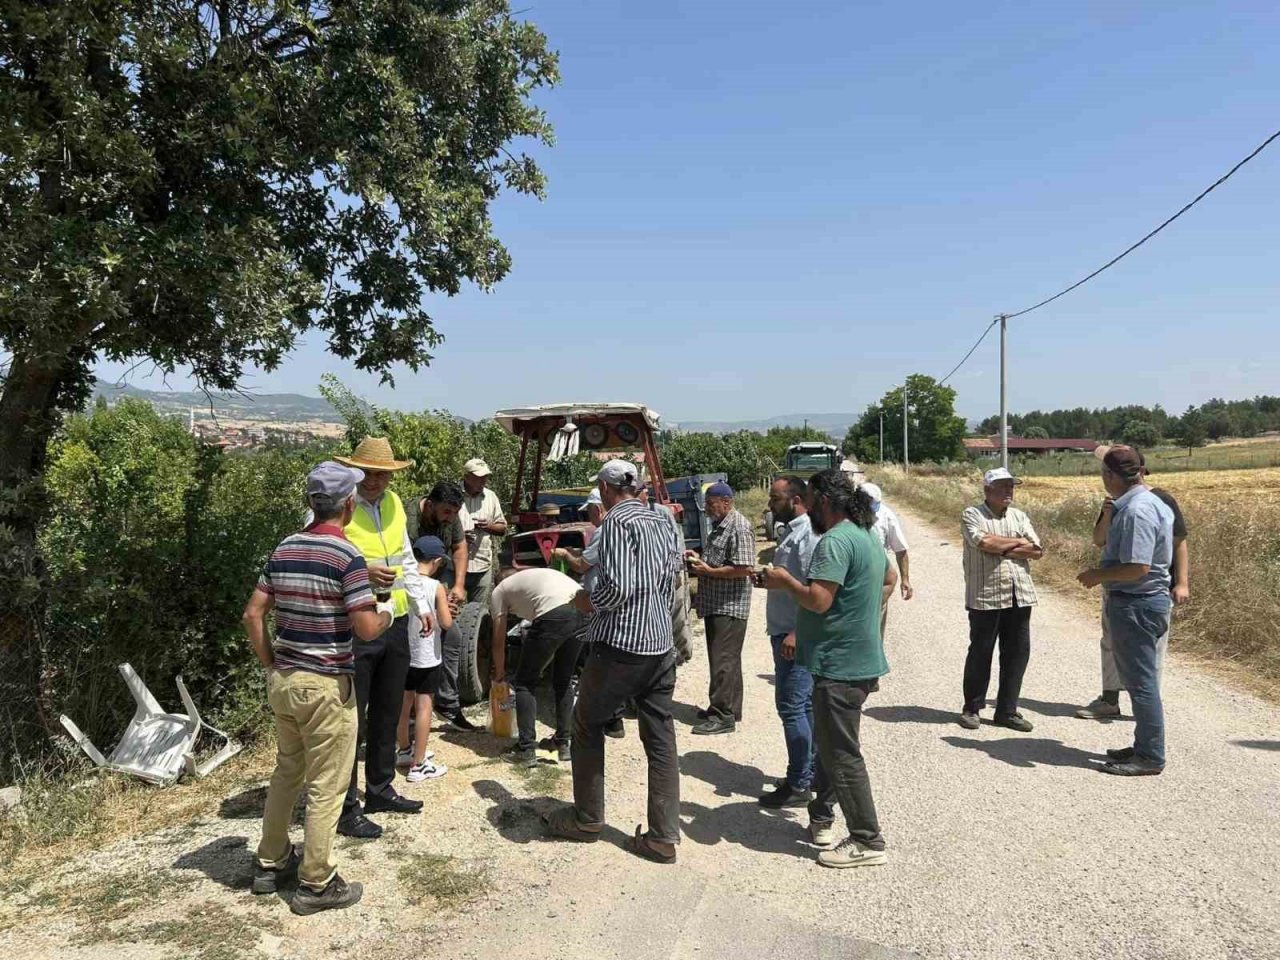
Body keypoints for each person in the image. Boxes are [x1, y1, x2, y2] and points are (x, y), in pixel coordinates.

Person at [244, 461, 395, 915]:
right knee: (328, 786)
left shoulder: (285, 546)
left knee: (287, 772)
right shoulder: (346, 556)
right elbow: (366, 629)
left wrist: (272, 662)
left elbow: (253, 614)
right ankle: (316, 882)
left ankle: (270, 863)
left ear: (313, 502)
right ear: (349, 503)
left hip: (284, 682)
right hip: (327, 685)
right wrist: (386, 614)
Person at [543, 460, 682, 864]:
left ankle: (587, 819)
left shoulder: (617, 524)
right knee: (660, 737)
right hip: (659, 642)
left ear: (604, 489)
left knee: (586, 725)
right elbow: (672, 571)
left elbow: (617, 586)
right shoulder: (660, 519)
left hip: (622, 644)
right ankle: (663, 836)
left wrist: (588, 601)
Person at [762, 470, 894, 868]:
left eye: (812, 498)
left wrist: (784, 580)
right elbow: (889, 578)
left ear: (824, 501)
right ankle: (821, 816)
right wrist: (859, 611)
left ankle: (866, 840)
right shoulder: (866, 534)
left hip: (840, 665)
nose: (809, 505)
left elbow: (818, 600)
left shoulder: (835, 540)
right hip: (853, 659)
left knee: (841, 754)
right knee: (830, 745)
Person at [328, 438, 427, 839]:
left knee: (388, 710)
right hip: (357, 620)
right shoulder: (339, 502)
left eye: (382, 473)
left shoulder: (394, 503)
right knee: (352, 717)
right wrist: (362, 570)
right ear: (354, 472)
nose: (375, 480)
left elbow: (404, 556)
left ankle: (381, 788)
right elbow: (323, 550)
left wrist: (421, 604)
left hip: (395, 617)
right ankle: (345, 803)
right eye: (368, 473)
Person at [1076, 445, 1175, 776]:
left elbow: (1137, 568)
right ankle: (1145, 744)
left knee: (1141, 683)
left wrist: (1096, 576)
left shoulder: (1136, 512)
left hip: (1137, 604)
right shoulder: (1151, 502)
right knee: (1140, 680)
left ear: (1109, 476)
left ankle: (1150, 756)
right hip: (1143, 603)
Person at [959, 467, 1044, 732]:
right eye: (1002, 486)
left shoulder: (1019, 515)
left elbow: (1037, 550)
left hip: (1020, 594)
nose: (1008, 491)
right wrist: (1017, 543)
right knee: (980, 653)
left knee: (1017, 655)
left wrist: (1003, 546)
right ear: (987, 490)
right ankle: (972, 708)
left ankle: (1007, 710)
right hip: (986, 595)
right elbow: (983, 543)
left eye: (1011, 486)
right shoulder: (972, 514)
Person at [758, 475, 819, 809]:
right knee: (804, 706)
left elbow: (814, 587)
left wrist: (798, 631)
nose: (770, 503)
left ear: (796, 500)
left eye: (775, 498)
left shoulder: (807, 535)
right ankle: (807, 774)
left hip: (795, 635)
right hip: (785, 630)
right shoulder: (792, 532)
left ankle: (799, 784)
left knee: (792, 706)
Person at [489, 568, 587, 766]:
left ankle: (525, 750)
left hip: (555, 613)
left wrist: (499, 671)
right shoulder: (534, 577)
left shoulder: (499, 590)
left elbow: (498, 640)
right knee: (564, 679)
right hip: (583, 611)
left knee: (525, 682)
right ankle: (563, 742)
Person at [687, 481, 756, 736]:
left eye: (709, 503)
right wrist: (700, 560)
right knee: (727, 660)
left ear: (725, 502)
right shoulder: (721, 526)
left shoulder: (738, 527)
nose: (706, 508)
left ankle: (722, 715)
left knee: (723, 661)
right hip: (718, 604)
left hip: (730, 606)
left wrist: (710, 571)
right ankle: (729, 707)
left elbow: (744, 568)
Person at [418, 479, 481, 732]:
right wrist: (434, 595)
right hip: (412, 586)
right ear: (430, 504)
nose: (451, 517)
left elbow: (460, 547)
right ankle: (412, 710)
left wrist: (458, 585)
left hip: (438, 581)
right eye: (446, 512)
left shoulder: (450, 515)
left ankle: (448, 704)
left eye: (455, 513)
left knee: (451, 635)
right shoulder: (408, 516)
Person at [395, 536, 452, 783]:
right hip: (427, 656)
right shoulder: (435, 586)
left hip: (403, 654)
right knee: (424, 707)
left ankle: (404, 750)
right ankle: (419, 765)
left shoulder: (402, 581)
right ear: (437, 561)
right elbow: (447, 622)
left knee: (403, 703)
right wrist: (447, 606)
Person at [637, 480, 694, 666]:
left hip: (669, 572)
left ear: (645, 493)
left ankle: (682, 653)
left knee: (677, 613)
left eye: (639, 492)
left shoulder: (661, 512)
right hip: (647, 577)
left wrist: (676, 572)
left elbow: (675, 542)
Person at [860, 482, 913, 639]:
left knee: (875, 630)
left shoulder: (886, 515)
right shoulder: (845, 514)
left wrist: (905, 579)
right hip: (851, 579)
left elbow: (900, 548)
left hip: (877, 579)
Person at [460, 458, 508, 611]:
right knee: (449, 608)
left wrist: (489, 526)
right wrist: (459, 537)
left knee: (476, 612)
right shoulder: (453, 495)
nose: (482, 481)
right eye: (478, 477)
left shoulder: (491, 497)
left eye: (485, 477)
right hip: (454, 565)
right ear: (466, 477)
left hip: (482, 564)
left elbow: (502, 528)